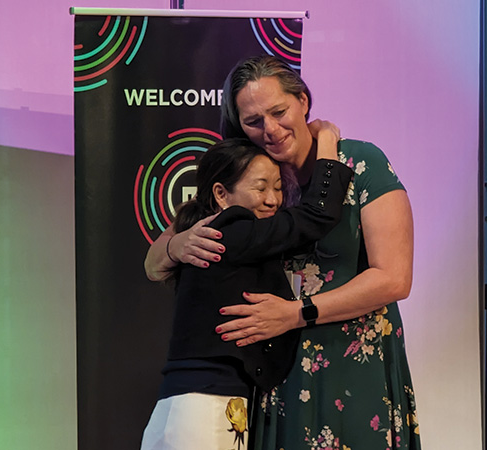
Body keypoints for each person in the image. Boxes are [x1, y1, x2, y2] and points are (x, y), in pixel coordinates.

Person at [145, 55, 420, 450]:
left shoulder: (361, 164)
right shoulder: (246, 176)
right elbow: (154, 264)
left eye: (279, 111)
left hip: (352, 360)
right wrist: (177, 244)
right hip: (274, 370)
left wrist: (295, 313)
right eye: (253, 121)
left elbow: (395, 278)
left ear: (304, 102)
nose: (270, 130)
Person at [140, 136, 353, 449]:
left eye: (279, 187)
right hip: (209, 407)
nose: (272, 200)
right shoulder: (235, 230)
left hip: (180, 406)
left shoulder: (208, 233)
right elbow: (317, 216)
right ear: (221, 194)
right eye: (260, 186)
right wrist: (327, 145)